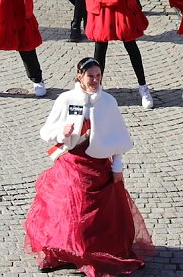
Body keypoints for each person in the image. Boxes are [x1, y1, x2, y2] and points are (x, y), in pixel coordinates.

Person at [24, 57, 153, 276]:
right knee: (66, 210)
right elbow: (46, 131)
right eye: (90, 76)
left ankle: (91, 254)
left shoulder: (108, 102)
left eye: (98, 76)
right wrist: (60, 133)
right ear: (79, 77)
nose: (95, 80)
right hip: (71, 161)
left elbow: (116, 138)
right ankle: (65, 252)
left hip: (99, 165)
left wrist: (117, 168)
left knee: (96, 217)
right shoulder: (66, 99)